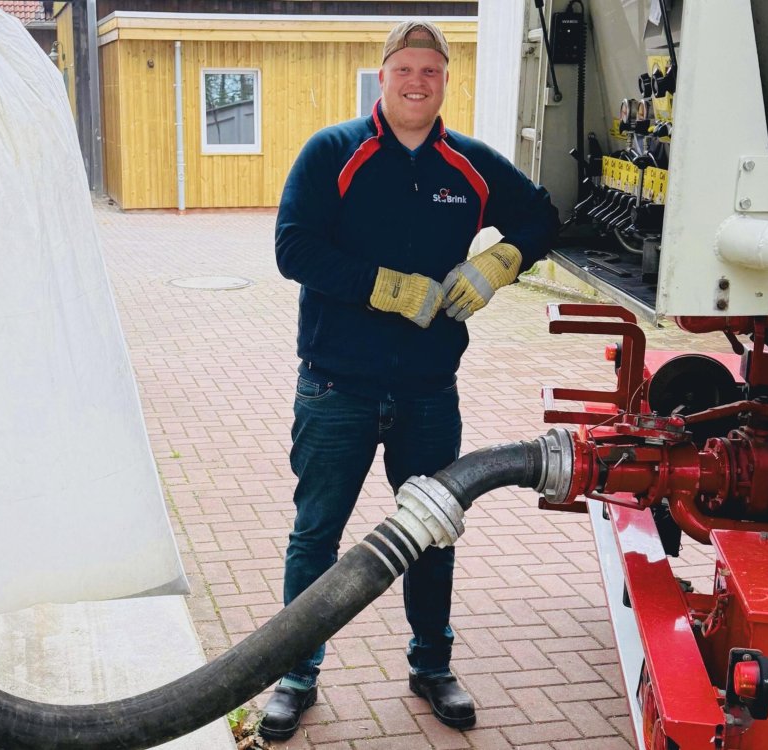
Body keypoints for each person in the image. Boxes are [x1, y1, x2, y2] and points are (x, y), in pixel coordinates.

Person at [264, 19, 559, 741]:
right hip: (337, 386)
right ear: (383, 74)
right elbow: (292, 248)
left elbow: (545, 216)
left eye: (431, 71)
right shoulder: (333, 152)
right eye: (405, 69)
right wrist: (384, 287)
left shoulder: (470, 165)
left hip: (429, 391)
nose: (417, 82)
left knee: (433, 532)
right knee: (316, 535)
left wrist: (501, 261)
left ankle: (432, 667)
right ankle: (296, 674)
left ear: (445, 81)